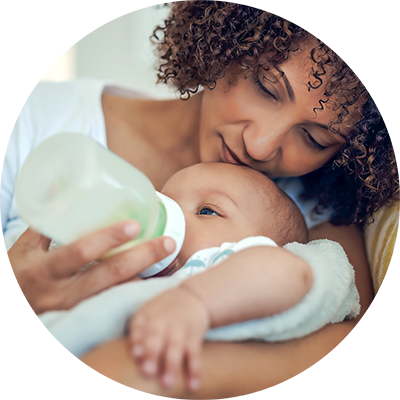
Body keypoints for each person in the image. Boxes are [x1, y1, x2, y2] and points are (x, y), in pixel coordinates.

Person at [1, 0, 398, 397]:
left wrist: (131, 369)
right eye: (266, 87)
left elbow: (350, 372)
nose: (260, 146)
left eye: (314, 138)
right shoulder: (21, 122)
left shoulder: (309, 208)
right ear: (230, 38)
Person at [0, 162, 358, 400]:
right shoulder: (123, 270)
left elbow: (287, 272)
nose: (164, 216)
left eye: (207, 210)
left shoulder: (229, 264)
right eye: (165, 202)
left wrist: (195, 302)